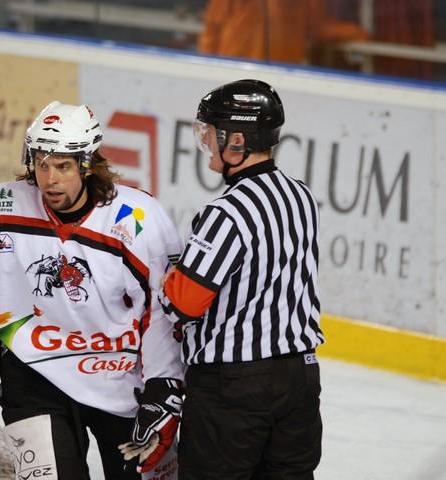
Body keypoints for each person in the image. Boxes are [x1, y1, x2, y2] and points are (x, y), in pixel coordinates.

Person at [0, 101, 184, 479]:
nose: (50, 180)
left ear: (87, 166)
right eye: (41, 165)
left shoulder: (137, 218)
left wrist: (164, 384)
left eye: (63, 167)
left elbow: (158, 309)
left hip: (120, 378)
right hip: (34, 376)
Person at [159, 79, 324, 479]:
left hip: (234, 388)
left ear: (237, 140)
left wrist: (170, 275)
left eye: (211, 132)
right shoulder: (301, 196)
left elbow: (183, 304)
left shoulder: (226, 214)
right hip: (300, 378)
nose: (205, 140)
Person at [198, 0, 368, 65]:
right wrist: (207, 67)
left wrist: (354, 33)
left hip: (282, 73)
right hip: (236, 69)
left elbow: (314, 27)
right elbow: (212, 28)